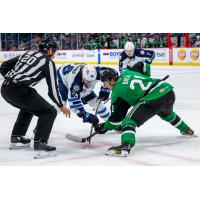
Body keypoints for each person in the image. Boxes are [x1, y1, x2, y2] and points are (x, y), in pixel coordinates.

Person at [96, 68, 195, 157]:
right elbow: (143, 68)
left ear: (112, 80)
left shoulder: (116, 92)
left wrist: (104, 127)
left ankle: (126, 145)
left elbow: (117, 118)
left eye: (105, 83)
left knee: (129, 120)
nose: (105, 85)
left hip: (153, 98)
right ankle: (187, 130)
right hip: (167, 91)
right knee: (167, 114)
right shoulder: (127, 72)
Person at [0, 38, 70, 156]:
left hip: (5, 89)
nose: (54, 55)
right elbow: (52, 90)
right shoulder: (48, 62)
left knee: (29, 106)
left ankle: (17, 137)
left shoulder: (28, 53)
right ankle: (40, 143)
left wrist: (11, 79)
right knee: (49, 111)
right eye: (54, 51)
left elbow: (4, 66)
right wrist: (60, 105)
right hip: (19, 91)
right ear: (50, 50)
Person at [57, 64, 110, 130]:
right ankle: (48, 116)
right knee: (62, 103)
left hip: (80, 83)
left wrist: (105, 89)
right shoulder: (75, 81)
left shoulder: (97, 72)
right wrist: (85, 115)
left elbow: (110, 73)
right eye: (87, 80)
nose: (89, 83)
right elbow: (74, 102)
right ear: (82, 75)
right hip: (63, 79)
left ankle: (111, 122)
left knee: (96, 102)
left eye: (91, 81)